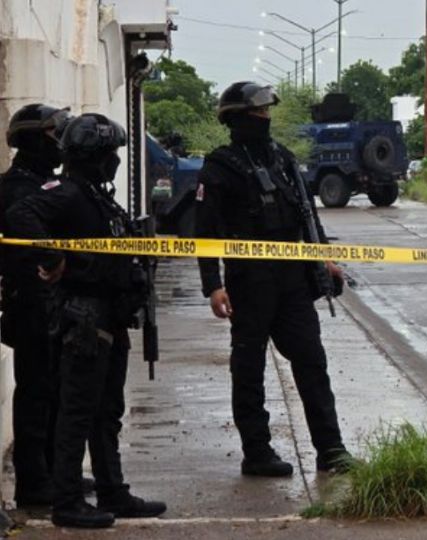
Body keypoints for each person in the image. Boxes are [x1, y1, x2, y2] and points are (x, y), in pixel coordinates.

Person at [7, 113, 166, 528]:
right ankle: (67, 501)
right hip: (84, 316)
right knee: (76, 412)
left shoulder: (96, 195)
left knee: (107, 411)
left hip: (111, 314)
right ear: (95, 155)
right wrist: (52, 257)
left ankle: (113, 490)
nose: (116, 159)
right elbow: (21, 216)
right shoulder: (68, 192)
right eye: (111, 152)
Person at [194, 82, 354, 478]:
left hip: (293, 279)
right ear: (237, 118)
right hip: (248, 280)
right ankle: (257, 452)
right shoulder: (220, 165)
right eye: (258, 112)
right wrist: (213, 284)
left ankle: (331, 450)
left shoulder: (282, 158)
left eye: (267, 112)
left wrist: (325, 257)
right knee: (248, 368)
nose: (266, 118)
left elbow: (307, 215)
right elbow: (205, 230)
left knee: (312, 362)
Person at [0, 104, 71, 507]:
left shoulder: (47, 184)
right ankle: (34, 481)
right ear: (31, 140)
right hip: (30, 302)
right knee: (37, 393)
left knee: (59, 392)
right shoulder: (17, 189)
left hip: (53, 303)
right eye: (51, 136)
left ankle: (55, 473)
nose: (57, 144)